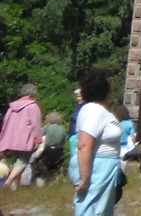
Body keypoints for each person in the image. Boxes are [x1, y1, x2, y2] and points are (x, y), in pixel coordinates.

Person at [71, 72, 122, 216]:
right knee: (90, 209)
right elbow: (84, 145)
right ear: (105, 89)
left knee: (101, 210)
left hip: (104, 165)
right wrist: (85, 177)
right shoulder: (94, 111)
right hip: (97, 165)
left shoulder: (100, 110)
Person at [0, 83, 42, 190]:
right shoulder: (33, 106)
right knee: (23, 160)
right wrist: (37, 140)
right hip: (25, 138)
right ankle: (8, 182)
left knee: (16, 161)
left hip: (11, 138)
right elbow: (36, 125)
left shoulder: (12, 107)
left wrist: (4, 137)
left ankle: (17, 187)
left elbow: (5, 122)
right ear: (33, 93)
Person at [32, 112, 67, 186]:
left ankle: (40, 186)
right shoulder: (63, 129)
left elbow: (39, 138)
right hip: (58, 152)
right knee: (55, 172)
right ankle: (54, 185)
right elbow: (64, 142)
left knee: (41, 172)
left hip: (47, 151)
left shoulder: (46, 127)